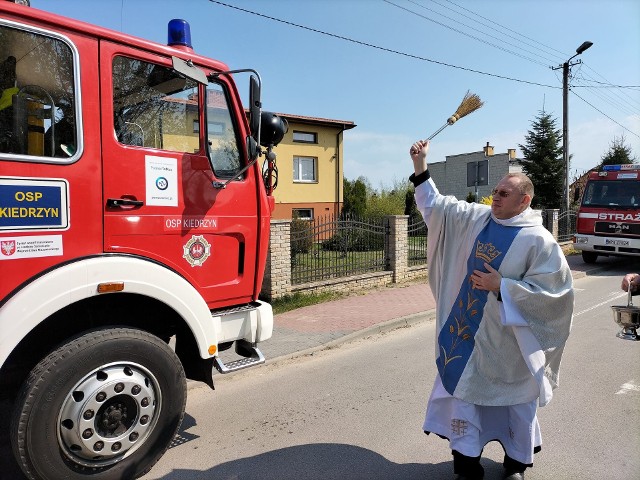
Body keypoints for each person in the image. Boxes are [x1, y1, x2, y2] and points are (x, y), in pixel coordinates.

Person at [409, 140, 574, 480]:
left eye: (503, 193)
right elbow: (438, 207)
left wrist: (504, 287)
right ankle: (467, 465)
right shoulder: (478, 219)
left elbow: (556, 297)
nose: (494, 197)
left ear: (524, 200)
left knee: (515, 405)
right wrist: (421, 165)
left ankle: (515, 465)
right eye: (495, 191)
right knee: (466, 397)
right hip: (468, 339)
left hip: (509, 347)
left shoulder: (539, 241)